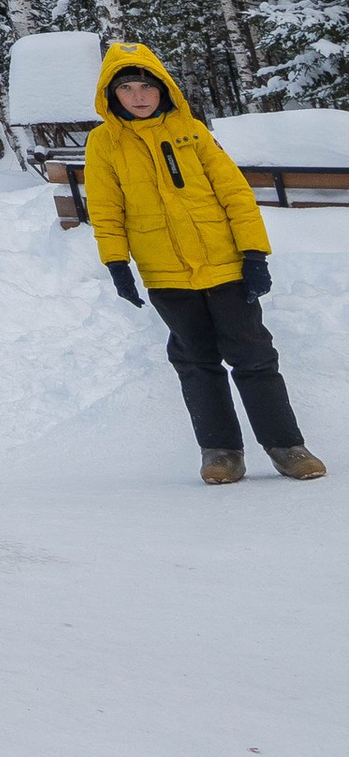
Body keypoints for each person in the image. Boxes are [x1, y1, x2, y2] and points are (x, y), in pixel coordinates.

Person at [84, 41, 326, 486]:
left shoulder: (192, 131)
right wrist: (117, 263)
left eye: (146, 87)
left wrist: (255, 253)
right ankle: (221, 452)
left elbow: (235, 193)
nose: (139, 96)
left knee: (253, 356)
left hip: (226, 266)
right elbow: (105, 208)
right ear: (111, 95)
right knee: (196, 361)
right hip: (166, 273)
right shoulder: (103, 144)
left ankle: (287, 446)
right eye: (127, 89)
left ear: (163, 90)